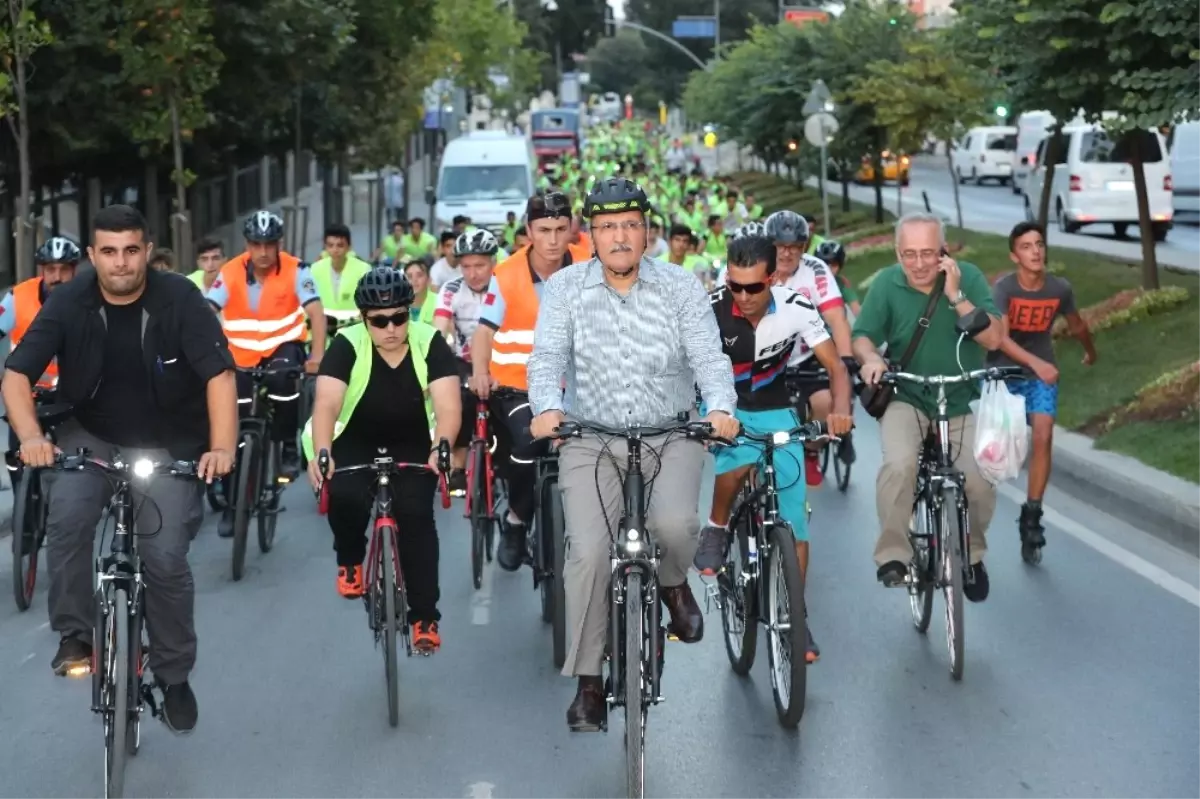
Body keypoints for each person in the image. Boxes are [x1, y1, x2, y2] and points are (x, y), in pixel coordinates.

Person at [1, 204, 237, 733]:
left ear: (148, 252)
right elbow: (16, 375)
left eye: (131, 250)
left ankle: (174, 675)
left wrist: (221, 448)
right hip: (92, 435)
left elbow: (219, 376)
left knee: (165, 556)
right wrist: (33, 438)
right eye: (108, 252)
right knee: (66, 518)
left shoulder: (180, 298)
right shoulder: (69, 301)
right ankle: (75, 635)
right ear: (92, 256)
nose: (121, 263)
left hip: (169, 442)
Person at [526, 177, 739, 731]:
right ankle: (590, 683)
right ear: (588, 236)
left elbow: (709, 357)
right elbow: (546, 358)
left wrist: (719, 407)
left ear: (647, 231)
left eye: (629, 225)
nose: (619, 237)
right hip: (590, 438)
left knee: (674, 525)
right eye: (605, 227)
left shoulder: (681, 285)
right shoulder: (567, 288)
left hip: (670, 433)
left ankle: (671, 584)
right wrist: (547, 407)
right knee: (590, 554)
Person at [693, 234, 854, 663]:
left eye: (753, 287)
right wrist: (702, 416)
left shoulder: (796, 307)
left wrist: (840, 410)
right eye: (735, 286)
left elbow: (835, 366)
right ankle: (717, 525)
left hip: (776, 408)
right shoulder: (708, 311)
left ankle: (797, 619)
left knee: (796, 522)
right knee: (738, 459)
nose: (743, 297)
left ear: (772, 278)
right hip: (724, 406)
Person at [303, 268, 458, 652]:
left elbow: (448, 406)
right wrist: (322, 452)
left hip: (412, 442)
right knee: (346, 493)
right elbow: (326, 403)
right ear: (364, 318)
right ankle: (351, 558)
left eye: (399, 317)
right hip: (356, 439)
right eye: (379, 321)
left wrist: (442, 446)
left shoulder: (430, 342)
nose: (391, 328)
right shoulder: (347, 344)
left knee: (417, 517)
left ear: (410, 312)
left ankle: (424, 617)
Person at [853, 212, 1004, 597]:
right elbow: (863, 337)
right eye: (909, 254)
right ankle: (893, 554)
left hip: (958, 399)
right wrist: (871, 359)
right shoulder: (887, 283)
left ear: (944, 251)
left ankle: (970, 555)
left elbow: (994, 340)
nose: (918, 264)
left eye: (927, 253)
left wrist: (956, 296)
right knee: (900, 465)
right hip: (907, 396)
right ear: (896, 252)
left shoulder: (966, 276)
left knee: (980, 479)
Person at [469, 191, 592, 572]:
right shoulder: (505, 275)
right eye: (544, 230)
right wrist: (479, 372)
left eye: (560, 229)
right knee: (527, 443)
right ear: (528, 231)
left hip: (581, 387)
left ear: (571, 229)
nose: (553, 240)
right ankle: (517, 522)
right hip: (517, 387)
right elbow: (485, 332)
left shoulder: (591, 265)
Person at [207, 210, 326, 529]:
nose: (263, 252)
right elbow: (208, 311)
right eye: (256, 245)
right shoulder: (230, 271)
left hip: (282, 349)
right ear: (247, 244)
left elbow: (315, 313)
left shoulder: (297, 269)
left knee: (283, 380)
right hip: (241, 357)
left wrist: (316, 356)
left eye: (269, 245)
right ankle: (234, 506)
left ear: (278, 244)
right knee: (234, 429)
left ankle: (287, 442)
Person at [988, 221, 1096, 555]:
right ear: (1014, 256)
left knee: (1044, 435)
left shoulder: (1058, 288)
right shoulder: (1004, 289)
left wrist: (1090, 351)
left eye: (1039, 244)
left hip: (1040, 373)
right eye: (1026, 246)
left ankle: (1032, 514)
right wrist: (1035, 364)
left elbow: (1076, 323)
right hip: (1003, 371)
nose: (1035, 251)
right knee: (1000, 450)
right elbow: (1001, 339)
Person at [765, 210, 853, 486]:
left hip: (806, 354)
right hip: (762, 357)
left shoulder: (815, 269)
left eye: (795, 247)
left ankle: (812, 451)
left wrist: (847, 357)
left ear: (804, 247)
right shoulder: (752, 264)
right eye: (780, 246)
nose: (787, 254)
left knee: (824, 403)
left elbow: (837, 318)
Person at [432, 229, 500, 495]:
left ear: (493, 262)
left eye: (480, 265)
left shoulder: (504, 285)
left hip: (499, 359)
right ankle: (458, 467)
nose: (473, 273)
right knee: (457, 403)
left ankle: (500, 458)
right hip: (463, 359)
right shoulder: (451, 289)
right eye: (466, 266)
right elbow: (441, 325)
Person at [310, 223, 372, 331]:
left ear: (349, 247)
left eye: (340, 245)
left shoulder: (363, 269)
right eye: (330, 245)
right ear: (325, 247)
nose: (335, 250)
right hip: (323, 330)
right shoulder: (315, 269)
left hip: (354, 330)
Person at [814, 240, 861, 317]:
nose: (828, 269)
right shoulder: (809, 283)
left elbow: (857, 309)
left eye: (834, 265)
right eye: (824, 264)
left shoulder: (841, 283)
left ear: (840, 265)